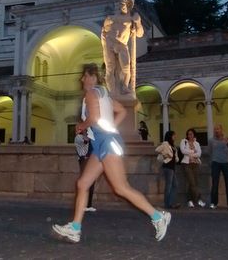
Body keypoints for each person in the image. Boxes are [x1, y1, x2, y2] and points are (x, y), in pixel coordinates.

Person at [52, 63, 171, 243]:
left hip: (106, 143)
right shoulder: (104, 94)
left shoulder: (92, 93)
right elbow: (121, 111)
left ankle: (158, 216)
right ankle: (75, 228)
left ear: (92, 77)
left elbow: (93, 118)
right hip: (103, 142)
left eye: (85, 76)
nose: (82, 79)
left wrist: (81, 127)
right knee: (83, 183)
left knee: (121, 187)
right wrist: (111, 129)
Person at [101, 0, 144, 95]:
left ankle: (124, 86)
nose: (121, 7)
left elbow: (140, 34)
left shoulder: (131, 19)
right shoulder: (111, 18)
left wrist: (138, 23)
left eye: (124, 5)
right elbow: (105, 30)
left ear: (129, 7)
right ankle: (112, 91)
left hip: (122, 44)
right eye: (120, 5)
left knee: (126, 67)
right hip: (110, 42)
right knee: (110, 67)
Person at [207, 124, 228, 210]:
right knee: (215, 183)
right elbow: (209, 152)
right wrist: (212, 160)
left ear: (221, 130)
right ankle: (213, 203)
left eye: (218, 129)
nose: (216, 131)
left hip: (226, 163)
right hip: (215, 163)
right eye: (215, 129)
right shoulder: (211, 140)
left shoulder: (226, 139)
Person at [179, 128, 206, 208]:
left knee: (194, 183)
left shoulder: (196, 143)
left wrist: (191, 153)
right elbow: (183, 151)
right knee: (192, 182)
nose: (190, 135)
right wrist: (193, 152)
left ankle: (190, 201)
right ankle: (199, 199)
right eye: (188, 134)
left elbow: (199, 154)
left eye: (191, 134)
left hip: (195, 164)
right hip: (187, 164)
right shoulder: (183, 141)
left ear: (194, 134)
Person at [155, 131, 181, 209]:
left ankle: (171, 202)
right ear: (170, 136)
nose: (175, 137)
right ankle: (168, 204)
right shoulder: (165, 144)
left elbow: (175, 156)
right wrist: (165, 155)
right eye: (173, 135)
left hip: (172, 167)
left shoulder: (173, 145)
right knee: (169, 186)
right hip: (167, 166)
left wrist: (176, 158)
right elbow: (157, 149)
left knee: (175, 185)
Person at [74, 127, 96, 212]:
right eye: (85, 130)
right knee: (86, 183)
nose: (86, 131)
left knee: (91, 184)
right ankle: (82, 204)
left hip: (89, 161)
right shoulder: (78, 137)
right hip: (84, 161)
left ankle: (88, 205)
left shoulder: (87, 137)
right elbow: (85, 141)